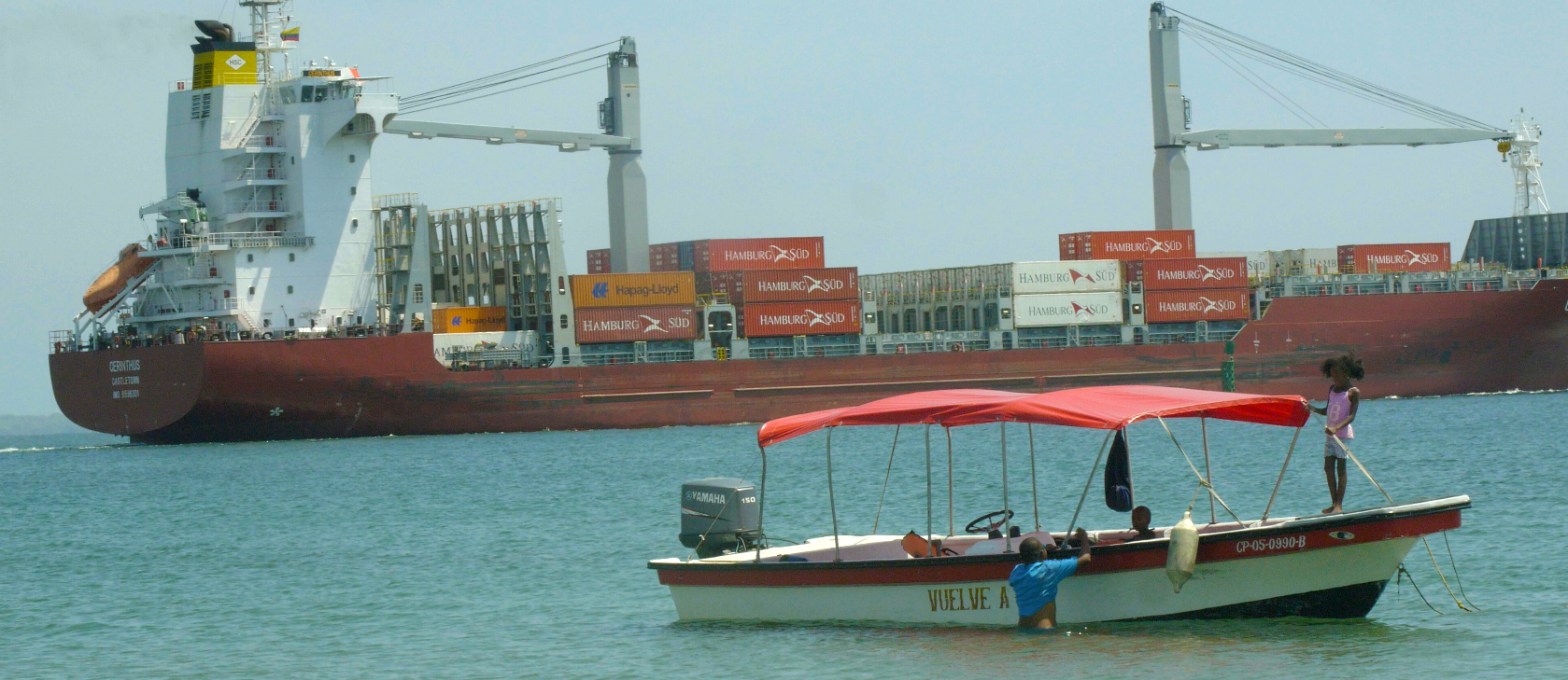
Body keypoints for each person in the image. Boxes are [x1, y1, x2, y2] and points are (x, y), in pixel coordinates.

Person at [1310, 354, 1363, 514]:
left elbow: (1351, 416)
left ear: (1346, 373)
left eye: (1337, 375)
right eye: (1332, 375)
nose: (1335, 378)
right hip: (1330, 436)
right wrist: (1311, 408)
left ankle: (1339, 504)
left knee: (1341, 469)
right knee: (1327, 467)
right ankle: (1333, 504)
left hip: (1343, 436)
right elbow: (1327, 410)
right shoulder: (1332, 389)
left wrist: (1336, 428)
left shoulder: (1353, 392)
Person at [1009, 528, 1091, 629]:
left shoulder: (1016, 572)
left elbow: (1031, 558)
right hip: (1044, 631)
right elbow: (1086, 559)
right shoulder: (1048, 569)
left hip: (1023, 629)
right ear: (1041, 554)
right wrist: (1084, 538)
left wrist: (1045, 548)